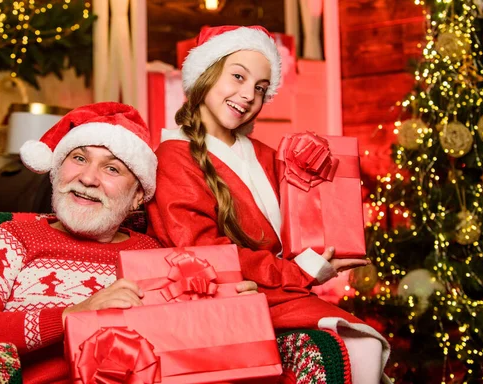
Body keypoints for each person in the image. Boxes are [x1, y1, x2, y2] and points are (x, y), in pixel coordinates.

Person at [0, 102, 259, 383]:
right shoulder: (13, 238)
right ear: (57, 170)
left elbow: (184, 350)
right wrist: (71, 316)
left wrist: (225, 310)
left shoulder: (154, 255)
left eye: (112, 168)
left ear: (137, 197)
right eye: (78, 158)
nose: (88, 178)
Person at [147, 25, 390, 384]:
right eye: (238, 77)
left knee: (365, 345)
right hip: (229, 304)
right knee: (360, 345)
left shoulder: (265, 155)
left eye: (260, 88)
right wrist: (302, 271)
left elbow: (304, 222)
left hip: (277, 296)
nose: (248, 95)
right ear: (205, 74)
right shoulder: (174, 156)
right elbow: (204, 258)